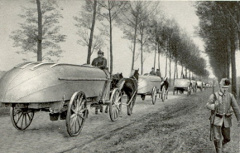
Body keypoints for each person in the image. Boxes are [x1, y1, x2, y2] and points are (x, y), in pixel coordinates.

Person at [206, 78, 240, 153]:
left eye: (226, 87)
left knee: (227, 138)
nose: (224, 89)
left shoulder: (230, 96)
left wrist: (239, 119)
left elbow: (236, 108)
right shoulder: (214, 95)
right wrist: (214, 105)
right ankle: (219, 150)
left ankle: (221, 145)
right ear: (220, 86)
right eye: (223, 87)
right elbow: (207, 105)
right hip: (216, 119)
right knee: (217, 139)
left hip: (226, 120)